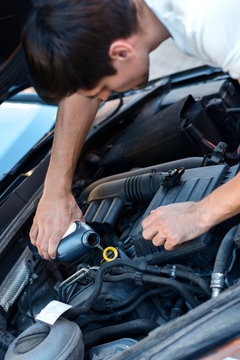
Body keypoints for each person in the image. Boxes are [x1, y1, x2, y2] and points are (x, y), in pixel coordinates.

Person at [22, 0, 240, 260]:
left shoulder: (210, 23)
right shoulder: (111, 13)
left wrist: (201, 214)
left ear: (121, 52)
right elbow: (83, 93)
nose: (103, 97)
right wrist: (55, 191)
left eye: (104, 89)